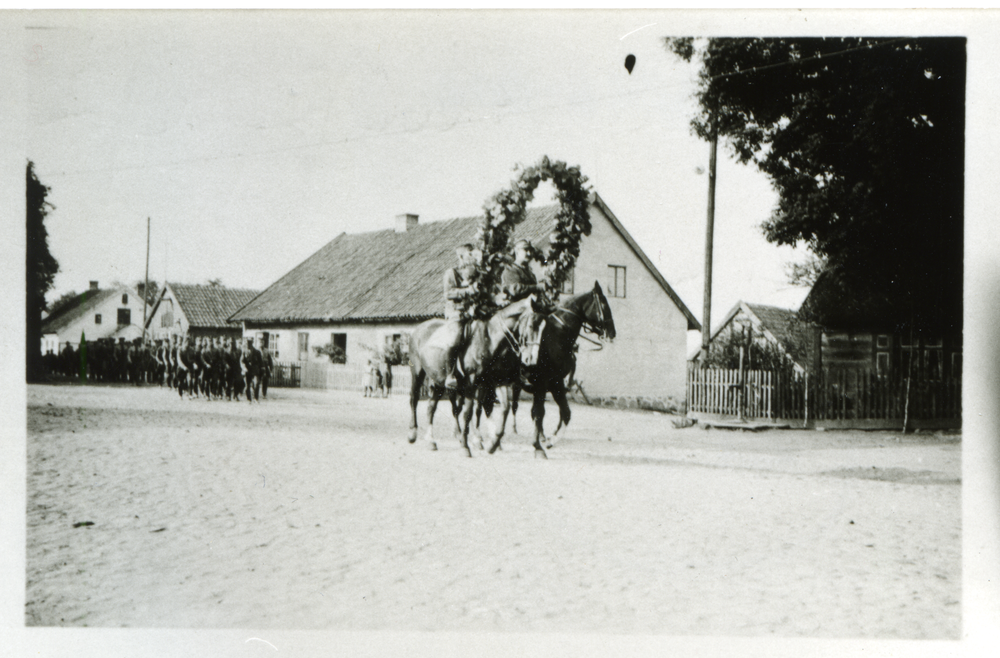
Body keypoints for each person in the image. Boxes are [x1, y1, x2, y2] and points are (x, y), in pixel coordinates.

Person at [501, 239, 550, 366]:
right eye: (525, 250)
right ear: (517, 251)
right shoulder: (510, 270)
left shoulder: (530, 273)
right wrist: (537, 287)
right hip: (515, 308)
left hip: (530, 307)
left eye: (530, 250)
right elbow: (515, 290)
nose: (529, 253)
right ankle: (525, 358)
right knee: (532, 321)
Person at [441, 243, 478, 389]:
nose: (473, 256)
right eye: (470, 253)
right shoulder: (452, 273)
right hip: (457, 312)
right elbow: (448, 294)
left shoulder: (476, 273)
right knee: (455, 337)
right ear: (461, 256)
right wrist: (467, 291)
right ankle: (450, 374)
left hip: (475, 312)